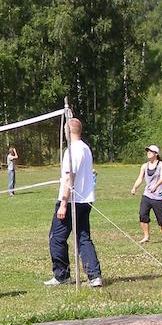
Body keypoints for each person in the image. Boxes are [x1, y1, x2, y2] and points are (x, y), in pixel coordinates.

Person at [46, 118, 103, 287]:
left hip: (73, 201)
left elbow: (70, 177)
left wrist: (63, 203)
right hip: (85, 200)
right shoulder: (86, 148)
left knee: (56, 238)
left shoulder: (73, 150)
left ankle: (61, 275)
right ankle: (95, 276)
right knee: (83, 237)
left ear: (68, 132)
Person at [130, 144, 162, 244]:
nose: (148, 153)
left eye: (151, 151)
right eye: (147, 151)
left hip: (158, 196)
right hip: (147, 195)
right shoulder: (144, 166)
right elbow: (140, 178)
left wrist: (156, 186)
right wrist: (134, 188)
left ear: (156, 154)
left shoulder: (161, 165)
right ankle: (146, 236)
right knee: (143, 215)